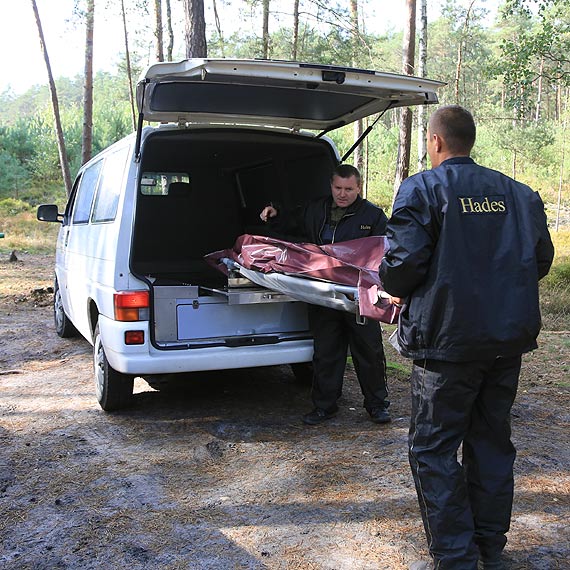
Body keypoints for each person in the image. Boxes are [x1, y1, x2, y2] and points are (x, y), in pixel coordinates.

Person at [378, 105, 554, 570]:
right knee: (491, 441)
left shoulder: (425, 187)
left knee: (434, 449)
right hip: (503, 340)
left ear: (435, 141)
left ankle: (457, 557)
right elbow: (540, 260)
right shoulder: (518, 194)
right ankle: (489, 549)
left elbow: (401, 268)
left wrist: (390, 286)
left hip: (447, 344)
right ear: (469, 141)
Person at [260, 163, 391, 426]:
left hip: (358, 296)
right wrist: (275, 213)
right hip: (322, 293)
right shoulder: (315, 208)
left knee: (369, 351)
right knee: (326, 351)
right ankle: (324, 406)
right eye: (338, 188)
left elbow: (387, 252)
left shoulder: (373, 216)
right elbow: (292, 223)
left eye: (349, 189)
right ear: (331, 186)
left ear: (359, 188)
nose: (342, 194)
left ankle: (377, 406)